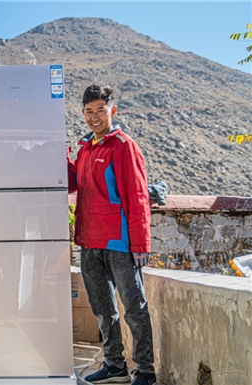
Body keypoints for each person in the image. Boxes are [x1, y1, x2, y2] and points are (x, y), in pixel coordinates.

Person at [67, 85, 156, 385]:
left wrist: (140, 243)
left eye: (100, 111)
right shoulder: (84, 148)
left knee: (134, 308)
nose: (94, 117)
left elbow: (138, 196)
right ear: (82, 113)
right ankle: (114, 365)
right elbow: (69, 183)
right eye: (89, 112)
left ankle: (145, 370)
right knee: (103, 310)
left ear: (112, 111)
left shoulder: (123, 146)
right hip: (89, 242)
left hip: (119, 242)